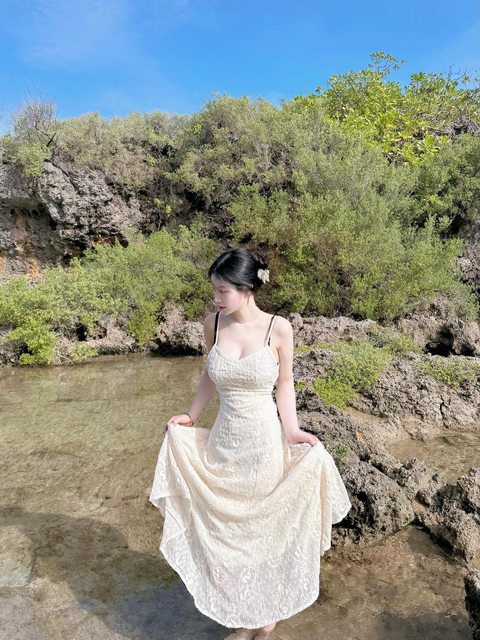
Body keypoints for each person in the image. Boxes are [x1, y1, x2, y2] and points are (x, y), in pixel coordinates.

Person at [149, 247, 352, 640]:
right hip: (223, 443)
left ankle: (266, 619)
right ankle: (245, 616)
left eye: (222, 290)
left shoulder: (279, 328)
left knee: (259, 533)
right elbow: (209, 375)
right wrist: (191, 415)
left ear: (247, 288)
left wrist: (293, 431)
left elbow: (285, 383)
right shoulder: (213, 323)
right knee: (227, 533)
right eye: (213, 289)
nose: (215, 298)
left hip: (263, 445)